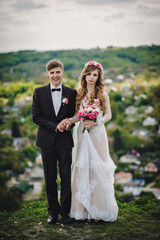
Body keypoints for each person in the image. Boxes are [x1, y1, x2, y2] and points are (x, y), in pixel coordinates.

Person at [64, 60, 118, 222]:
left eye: (95, 75)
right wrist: (68, 121)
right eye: (89, 74)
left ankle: (97, 211)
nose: (92, 78)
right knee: (83, 169)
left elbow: (108, 115)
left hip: (97, 134)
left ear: (99, 77)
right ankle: (84, 211)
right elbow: (76, 116)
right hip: (82, 134)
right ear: (85, 75)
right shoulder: (78, 94)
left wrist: (96, 122)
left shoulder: (103, 94)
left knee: (96, 169)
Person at [32, 59, 77, 224]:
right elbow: (36, 117)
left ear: (62, 72)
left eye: (58, 72)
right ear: (47, 74)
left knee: (66, 178)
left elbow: (74, 115)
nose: (55, 75)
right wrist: (55, 126)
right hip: (46, 141)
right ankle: (53, 212)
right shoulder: (38, 92)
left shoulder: (72, 93)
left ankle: (66, 213)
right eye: (52, 72)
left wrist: (67, 124)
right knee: (49, 178)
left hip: (65, 141)